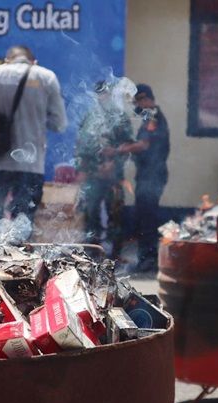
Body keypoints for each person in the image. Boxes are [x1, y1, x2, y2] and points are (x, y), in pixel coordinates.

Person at [0, 45, 67, 228]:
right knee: (22, 222)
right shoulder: (46, 77)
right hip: (31, 164)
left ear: (7, 60)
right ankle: (19, 255)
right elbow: (59, 124)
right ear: (33, 61)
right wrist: (36, 118)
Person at [76, 81, 134, 258]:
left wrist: (114, 162)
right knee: (90, 214)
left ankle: (114, 255)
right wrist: (83, 169)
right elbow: (81, 146)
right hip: (93, 175)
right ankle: (91, 253)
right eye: (100, 94)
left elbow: (128, 145)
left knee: (115, 215)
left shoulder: (121, 117)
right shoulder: (89, 117)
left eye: (106, 93)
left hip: (114, 175)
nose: (104, 97)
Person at [115, 84, 170, 272]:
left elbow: (144, 145)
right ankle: (147, 257)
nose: (136, 106)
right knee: (144, 215)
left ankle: (149, 259)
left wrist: (121, 149)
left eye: (137, 101)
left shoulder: (152, 116)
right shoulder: (151, 117)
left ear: (145, 99)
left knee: (147, 217)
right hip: (148, 175)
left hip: (152, 175)